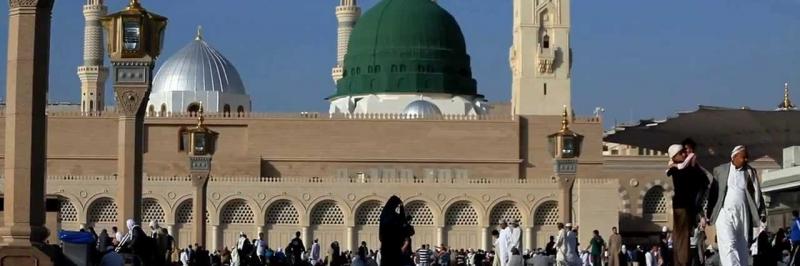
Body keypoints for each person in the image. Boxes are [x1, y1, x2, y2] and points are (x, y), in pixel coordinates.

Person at [707, 145, 767, 266]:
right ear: (734, 157)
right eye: (743, 157)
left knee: (742, 246)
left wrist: (761, 212)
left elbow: (757, 194)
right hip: (724, 212)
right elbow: (713, 193)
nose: (746, 160)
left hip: (743, 213)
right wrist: (709, 213)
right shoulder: (720, 170)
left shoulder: (750, 172)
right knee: (728, 244)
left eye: (747, 158)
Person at [666, 143, 710, 266]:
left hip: (683, 206)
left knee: (681, 236)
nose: (685, 154)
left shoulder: (679, 168)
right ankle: (682, 262)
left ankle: (681, 261)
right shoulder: (678, 170)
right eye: (681, 153)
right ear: (674, 156)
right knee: (682, 237)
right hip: (683, 206)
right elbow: (701, 180)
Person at [379, 195, 415, 265]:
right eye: (396, 205)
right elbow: (402, 223)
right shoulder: (389, 217)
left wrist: (401, 208)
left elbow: (402, 221)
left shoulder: (387, 215)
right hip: (391, 247)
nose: (396, 207)